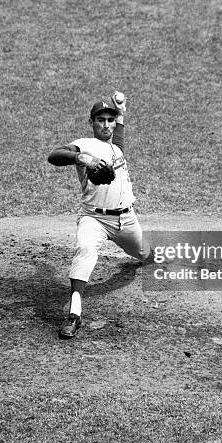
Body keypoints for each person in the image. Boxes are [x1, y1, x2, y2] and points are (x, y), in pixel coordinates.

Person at [47, 91, 151, 339]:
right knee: (84, 249)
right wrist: (79, 157)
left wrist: (122, 112)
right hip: (95, 219)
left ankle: (157, 259)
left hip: (126, 220)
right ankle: (74, 314)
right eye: (100, 120)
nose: (106, 125)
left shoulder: (115, 147)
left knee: (144, 254)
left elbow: (120, 146)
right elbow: (54, 155)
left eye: (110, 120)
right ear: (91, 122)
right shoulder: (85, 144)